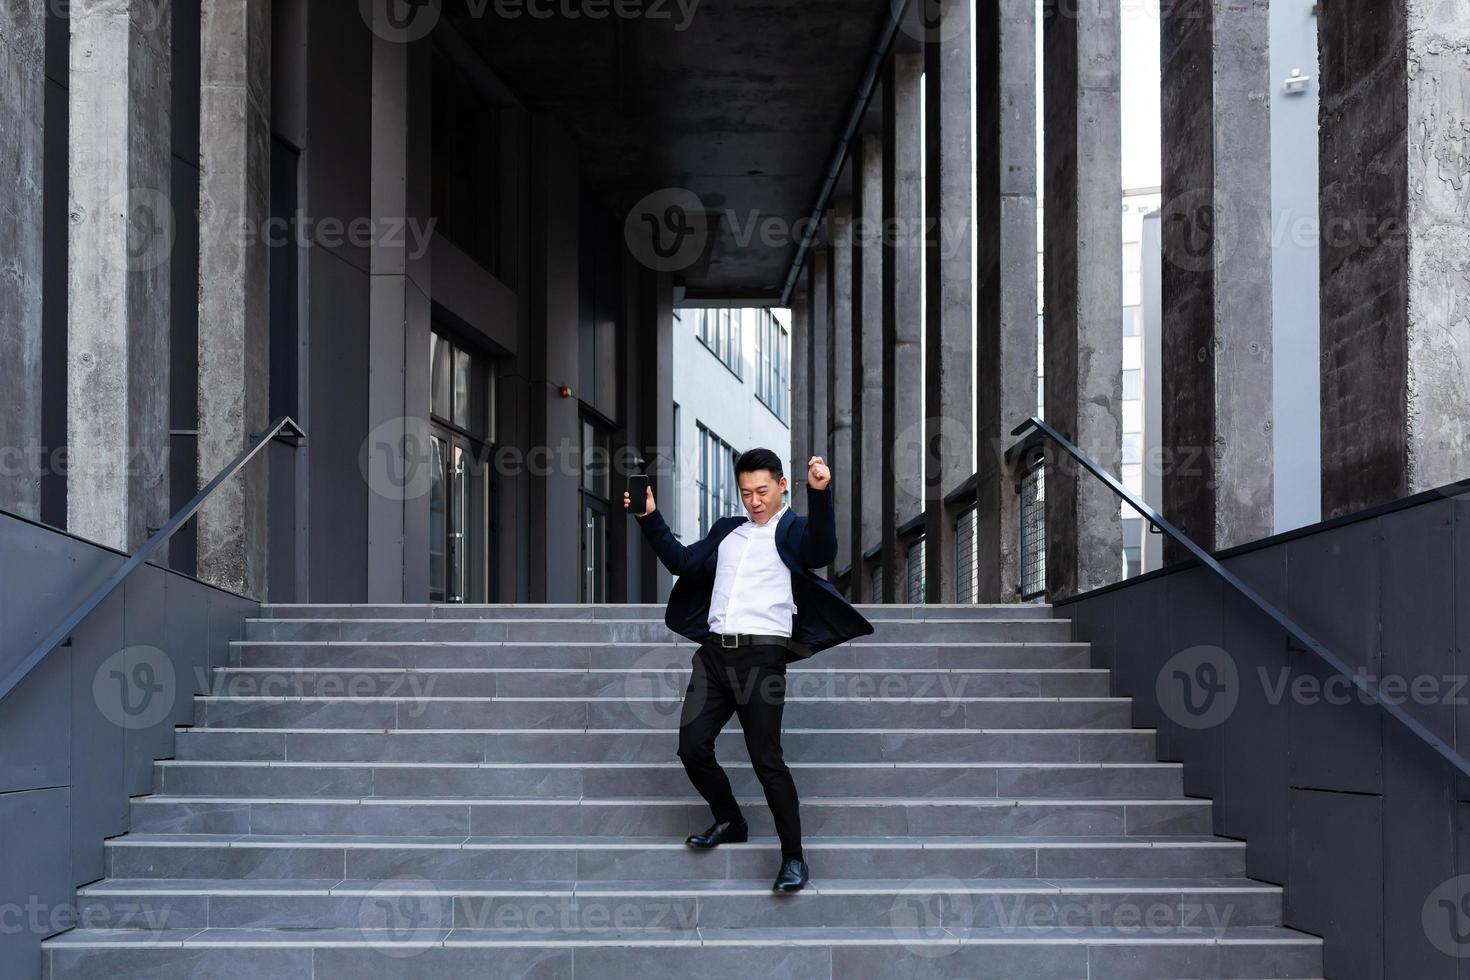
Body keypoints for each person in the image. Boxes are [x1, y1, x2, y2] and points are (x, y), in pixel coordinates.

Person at [624, 448, 874, 892]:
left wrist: (820, 493)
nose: (754, 501)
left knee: (766, 760)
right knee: (691, 746)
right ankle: (730, 820)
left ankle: (793, 857)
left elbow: (822, 549)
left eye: (762, 491)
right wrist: (649, 518)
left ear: (781, 485)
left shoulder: (794, 531)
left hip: (763, 659)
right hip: (714, 656)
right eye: (745, 493)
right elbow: (682, 563)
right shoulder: (728, 532)